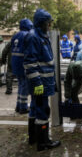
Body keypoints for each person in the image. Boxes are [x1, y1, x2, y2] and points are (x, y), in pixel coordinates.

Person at [24, 9, 61, 151]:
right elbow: (30, 63)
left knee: (36, 108)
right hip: (40, 83)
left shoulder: (41, 36)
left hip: (44, 82)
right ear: (41, 23)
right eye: (48, 23)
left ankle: (34, 139)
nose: (49, 26)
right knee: (42, 110)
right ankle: (43, 142)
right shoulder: (34, 37)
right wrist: (38, 83)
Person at [11, 18, 33, 114]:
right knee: (25, 86)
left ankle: (18, 105)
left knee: (20, 84)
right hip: (23, 64)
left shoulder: (15, 36)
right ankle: (23, 107)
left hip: (15, 64)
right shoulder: (27, 35)